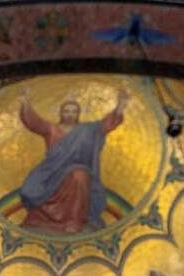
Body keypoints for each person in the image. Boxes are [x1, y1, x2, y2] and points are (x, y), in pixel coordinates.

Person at [18, 88, 128, 234]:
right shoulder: (52, 129)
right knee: (32, 188)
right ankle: (43, 218)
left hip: (78, 170)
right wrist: (25, 103)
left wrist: (121, 105)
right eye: (67, 111)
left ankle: (74, 220)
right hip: (52, 171)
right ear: (61, 113)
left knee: (79, 174)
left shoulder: (88, 130)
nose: (70, 114)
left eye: (74, 111)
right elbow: (34, 123)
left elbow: (107, 124)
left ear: (78, 114)